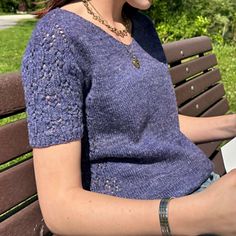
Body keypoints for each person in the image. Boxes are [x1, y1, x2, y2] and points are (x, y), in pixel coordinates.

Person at [20, 0, 236, 235]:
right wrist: (199, 215)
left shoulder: (140, 26)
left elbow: (158, 124)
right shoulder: (58, 39)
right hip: (163, 218)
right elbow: (60, 209)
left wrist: (231, 124)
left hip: (203, 189)